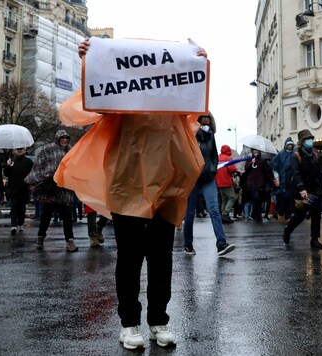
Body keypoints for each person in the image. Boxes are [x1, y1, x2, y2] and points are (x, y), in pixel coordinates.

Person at [57, 39, 208, 350]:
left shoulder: (174, 96)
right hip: (127, 181)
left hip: (167, 183)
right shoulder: (121, 93)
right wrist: (92, 63)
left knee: (161, 255)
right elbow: (92, 103)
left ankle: (158, 320)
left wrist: (198, 67)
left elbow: (197, 110)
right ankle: (129, 323)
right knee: (129, 256)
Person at [183, 113, 236, 256]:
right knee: (190, 213)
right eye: (203, 116)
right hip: (193, 179)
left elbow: (214, 155)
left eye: (208, 117)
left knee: (214, 210)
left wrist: (213, 169)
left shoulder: (211, 135)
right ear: (198, 120)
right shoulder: (192, 133)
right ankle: (188, 244)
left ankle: (221, 244)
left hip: (208, 178)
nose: (206, 119)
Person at [25, 130, 78, 251]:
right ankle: (40, 239)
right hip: (50, 186)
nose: (64, 140)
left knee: (67, 216)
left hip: (64, 187)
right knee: (46, 215)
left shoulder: (70, 150)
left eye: (66, 138)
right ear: (58, 138)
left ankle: (70, 242)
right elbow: (40, 164)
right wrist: (45, 175)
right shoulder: (48, 149)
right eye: (62, 138)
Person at [282, 129, 322, 249]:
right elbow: (296, 174)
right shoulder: (296, 155)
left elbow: (319, 173)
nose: (310, 141)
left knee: (317, 213)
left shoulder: (315, 154)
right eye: (307, 139)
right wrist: (302, 188)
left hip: (315, 188)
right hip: (301, 190)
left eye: (311, 139)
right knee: (300, 215)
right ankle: (288, 230)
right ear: (302, 142)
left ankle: (314, 239)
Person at [4, 147, 34, 235]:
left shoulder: (28, 161)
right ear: (14, 151)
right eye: (17, 149)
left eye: (21, 149)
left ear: (25, 150)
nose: (19, 150)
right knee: (14, 206)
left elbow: (32, 173)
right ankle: (13, 225)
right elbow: (6, 173)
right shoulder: (11, 161)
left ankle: (20, 223)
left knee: (21, 208)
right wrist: (8, 166)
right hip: (13, 188)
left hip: (24, 188)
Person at [243, 148, 274, 222]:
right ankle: (257, 217)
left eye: (256, 150)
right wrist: (251, 163)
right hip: (251, 184)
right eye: (253, 150)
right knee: (255, 198)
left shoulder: (262, 160)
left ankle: (256, 215)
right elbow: (246, 169)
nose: (255, 152)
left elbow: (267, 172)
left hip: (260, 184)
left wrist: (272, 180)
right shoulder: (249, 159)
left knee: (258, 200)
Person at [269, 137, 295, 224]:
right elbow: (274, 167)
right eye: (289, 145)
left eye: (291, 144)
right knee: (282, 198)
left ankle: (287, 216)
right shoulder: (280, 154)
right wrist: (276, 178)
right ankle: (280, 213)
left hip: (291, 179)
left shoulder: (294, 154)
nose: (290, 146)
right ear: (286, 145)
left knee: (290, 199)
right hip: (282, 179)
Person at [216, 144, 237, 224]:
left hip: (219, 182)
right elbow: (233, 169)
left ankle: (223, 214)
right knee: (232, 197)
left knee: (224, 199)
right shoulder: (228, 158)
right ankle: (225, 214)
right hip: (226, 181)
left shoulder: (218, 158)